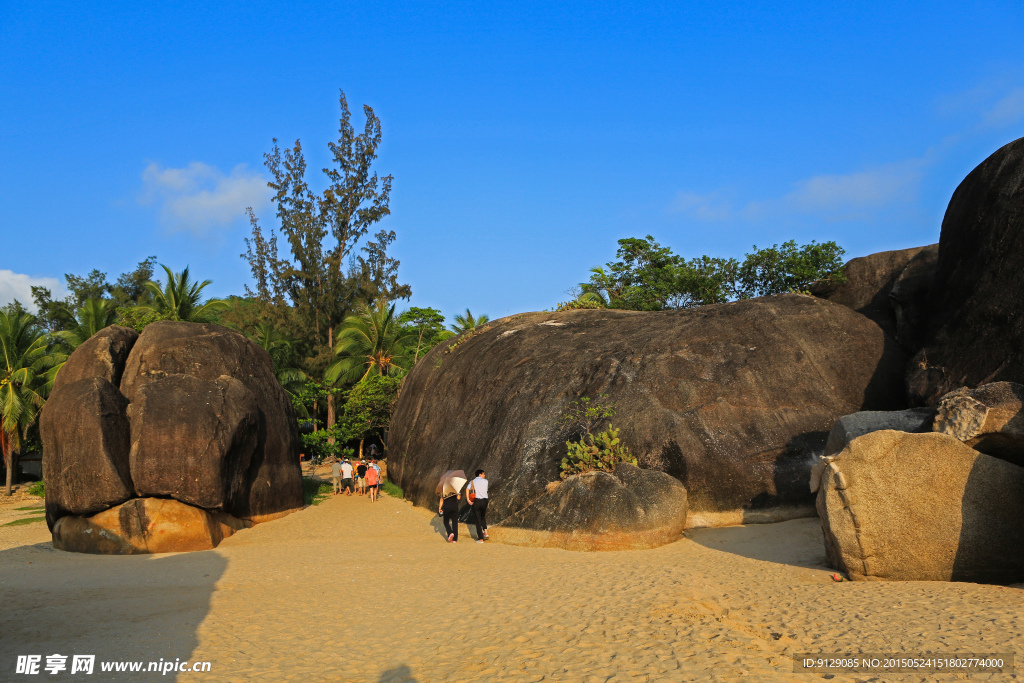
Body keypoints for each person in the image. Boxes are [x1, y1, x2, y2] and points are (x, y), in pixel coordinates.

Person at [467, 469, 490, 541]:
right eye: (483, 474)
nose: (484, 475)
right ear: (480, 474)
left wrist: (468, 499)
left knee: (477, 520)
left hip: (477, 501)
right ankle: (485, 532)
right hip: (485, 501)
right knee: (482, 516)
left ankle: (481, 539)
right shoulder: (486, 481)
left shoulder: (472, 482)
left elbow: (467, 489)